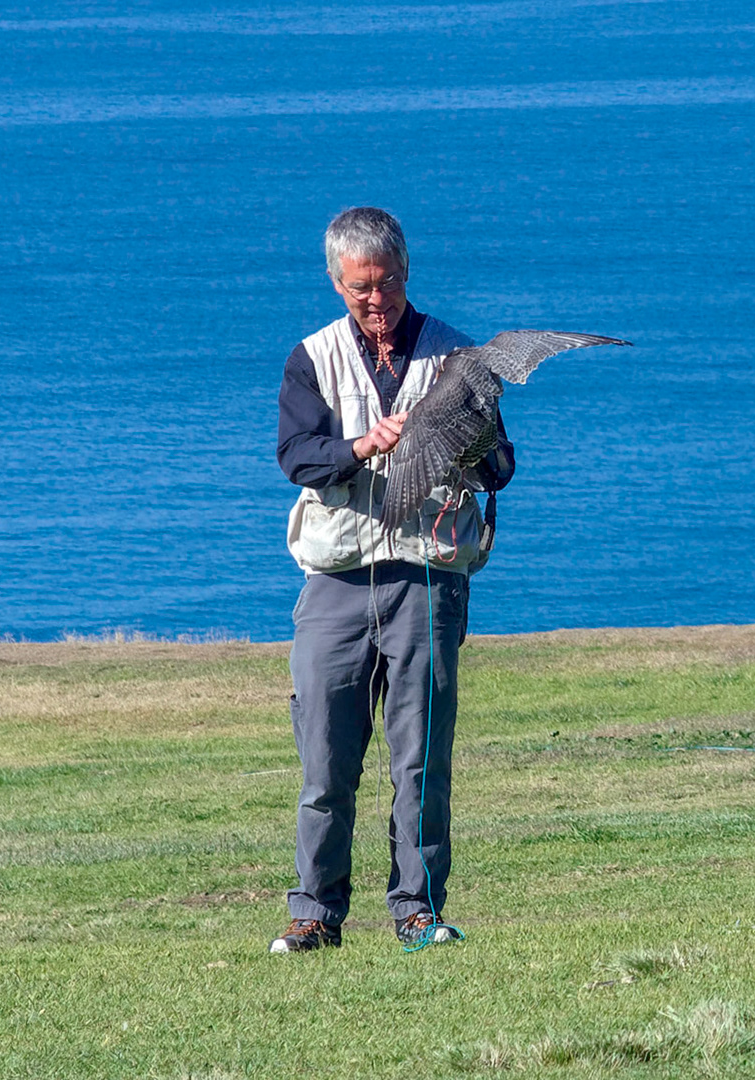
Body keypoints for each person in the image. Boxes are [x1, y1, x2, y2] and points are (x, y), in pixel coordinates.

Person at [270, 207, 512, 952]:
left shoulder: (458, 357)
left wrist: (460, 447)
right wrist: (363, 445)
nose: (378, 301)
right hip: (338, 579)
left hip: (429, 578)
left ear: (408, 272)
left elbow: (501, 468)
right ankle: (315, 915)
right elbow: (297, 458)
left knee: (421, 761)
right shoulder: (311, 359)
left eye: (390, 284)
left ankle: (419, 911)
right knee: (325, 761)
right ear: (337, 283)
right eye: (361, 289)